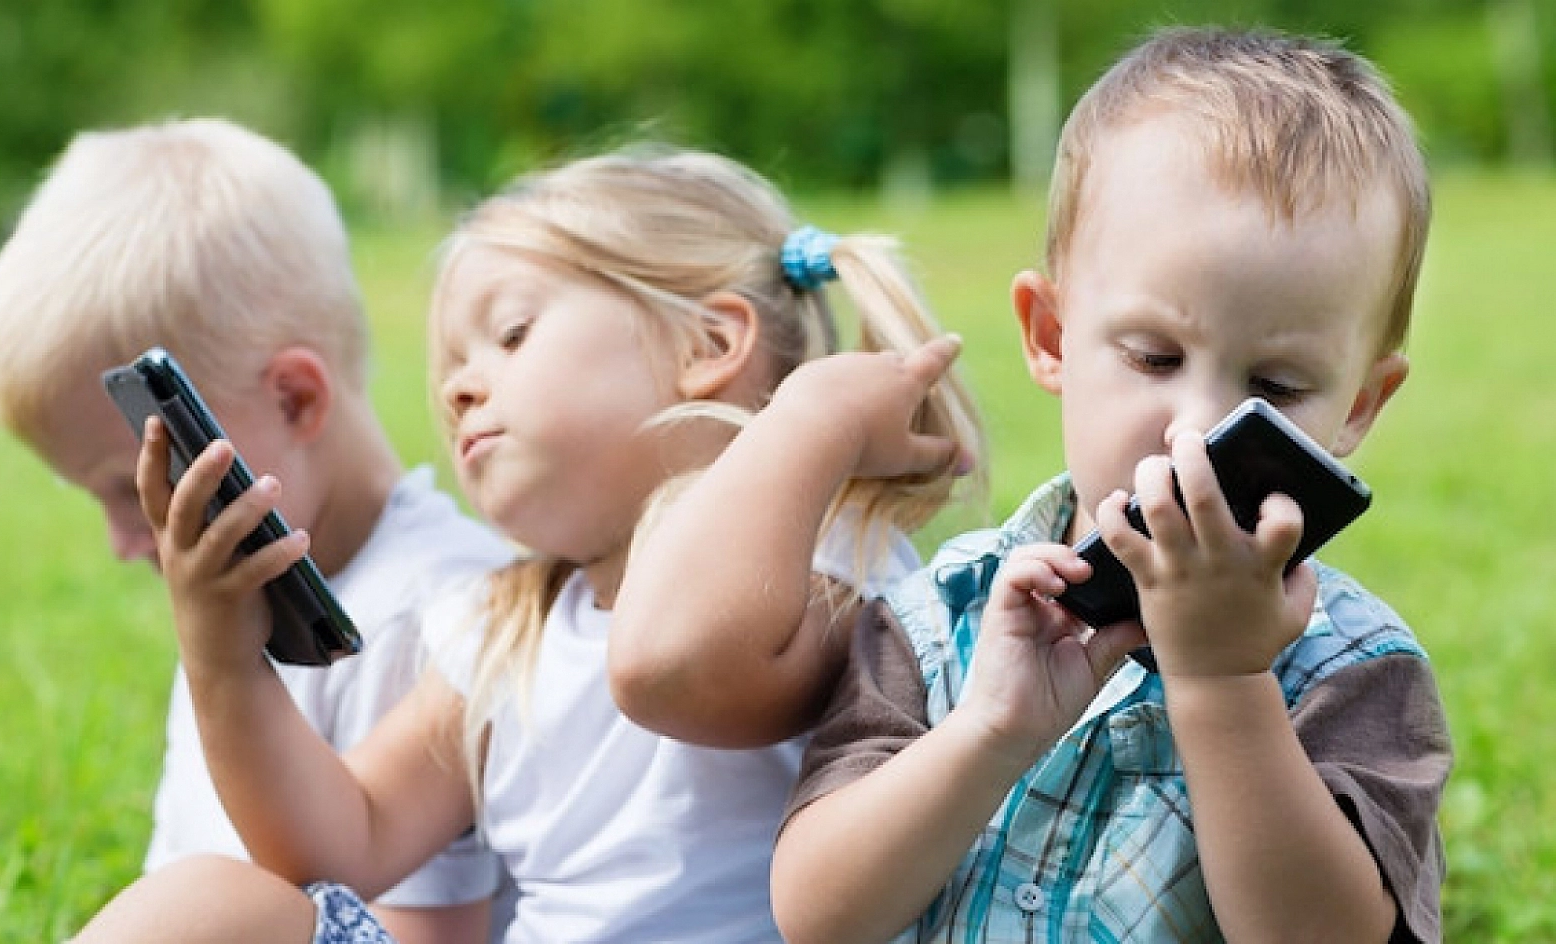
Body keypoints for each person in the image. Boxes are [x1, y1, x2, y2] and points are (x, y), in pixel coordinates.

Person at [612, 27, 1452, 943]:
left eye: (1276, 388)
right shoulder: (937, 620)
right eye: (1153, 356)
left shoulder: (1357, 669)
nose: (1194, 428)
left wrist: (1223, 682)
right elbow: (821, 915)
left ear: (1362, 404)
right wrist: (989, 731)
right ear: (1051, 338)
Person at [68, 147, 986, 943]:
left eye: (509, 334)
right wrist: (220, 649)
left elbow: (675, 665)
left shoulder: (835, 573)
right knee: (205, 901)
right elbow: (337, 847)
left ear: (710, 340)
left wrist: (811, 417)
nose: (463, 390)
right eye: (450, 374)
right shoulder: (505, 626)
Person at [0, 118, 514, 943]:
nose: (123, 539)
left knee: (203, 904)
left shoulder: (438, 615)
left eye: (134, 489)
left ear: (295, 399)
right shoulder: (235, 615)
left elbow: (430, 931)